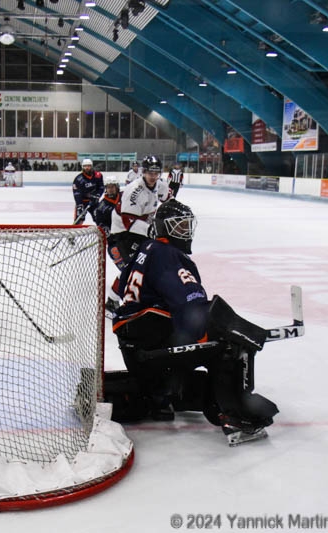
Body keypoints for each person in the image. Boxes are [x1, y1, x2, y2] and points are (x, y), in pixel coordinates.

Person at [107, 199, 278, 446]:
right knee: (225, 345)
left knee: (199, 340)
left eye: (187, 225)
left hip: (134, 345)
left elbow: (122, 287)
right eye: (179, 226)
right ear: (164, 228)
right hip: (151, 347)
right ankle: (237, 417)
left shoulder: (144, 250)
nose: (185, 232)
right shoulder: (169, 255)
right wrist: (219, 331)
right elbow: (190, 305)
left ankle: (162, 396)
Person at [109, 154, 169, 268]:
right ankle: (122, 284)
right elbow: (128, 221)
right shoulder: (133, 190)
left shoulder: (160, 184)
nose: (153, 176)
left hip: (142, 228)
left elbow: (167, 198)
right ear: (144, 172)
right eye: (150, 173)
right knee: (134, 268)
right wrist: (151, 230)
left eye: (156, 173)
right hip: (123, 232)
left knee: (153, 262)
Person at [93, 175, 125, 270]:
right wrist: (106, 230)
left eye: (113, 187)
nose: (110, 189)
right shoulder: (101, 207)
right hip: (115, 240)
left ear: (117, 187)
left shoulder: (125, 197)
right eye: (108, 187)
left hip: (130, 235)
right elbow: (101, 226)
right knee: (114, 251)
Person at [71, 158, 104, 224]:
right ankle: (77, 233)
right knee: (79, 220)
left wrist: (97, 195)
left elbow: (101, 187)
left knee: (99, 219)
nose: (87, 168)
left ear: (91, 166)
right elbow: (77, 193)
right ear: (82, 167)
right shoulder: (79, 179)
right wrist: (79, 205)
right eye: (85, 166)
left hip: (94, 201)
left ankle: (103, 233)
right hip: (83, 202)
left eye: (89, 166)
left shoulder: (98, 176)